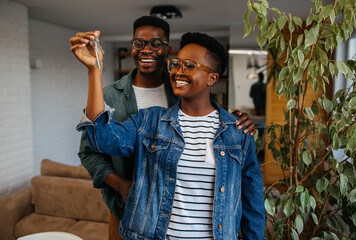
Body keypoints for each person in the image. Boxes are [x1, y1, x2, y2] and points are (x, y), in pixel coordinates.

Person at [70, 16, 256, 240]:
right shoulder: (150, 119)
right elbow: (100, 139)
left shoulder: (235, 133)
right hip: (138, 219)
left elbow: (251, 198)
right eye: (177, 64)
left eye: (189, 65)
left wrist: (238, 122)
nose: (179, 71)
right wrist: (94, 71)